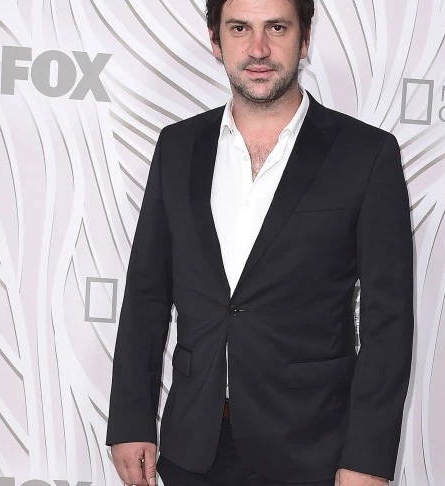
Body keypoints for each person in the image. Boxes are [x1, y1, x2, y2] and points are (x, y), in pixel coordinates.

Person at [106, 0, 414, 485]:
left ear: (304, 39)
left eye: (276, 28)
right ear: (216, 41)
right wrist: (131, 420)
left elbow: (388, 319)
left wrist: (367, 458)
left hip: (312, 449)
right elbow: (147, 293)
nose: (258, 48)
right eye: (239, 28)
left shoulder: (365, 154)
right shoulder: (178, 147)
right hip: (194, 447)